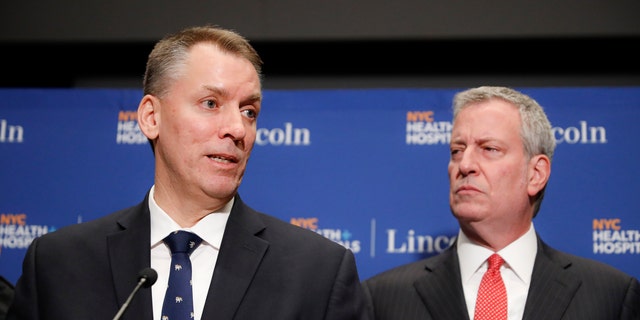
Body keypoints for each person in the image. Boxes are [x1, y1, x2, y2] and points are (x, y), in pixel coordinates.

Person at [8, 25, 367, 320]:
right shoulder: (57, 264)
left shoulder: (319, 273)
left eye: (249, 111)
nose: (237, 130)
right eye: (211, 104)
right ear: (152, 117)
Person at [362, 86, 640, 320]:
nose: (465, 164)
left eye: (489, 149)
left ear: (536, 174)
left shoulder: (610, 297)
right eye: (457, 151)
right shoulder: (382, 298)